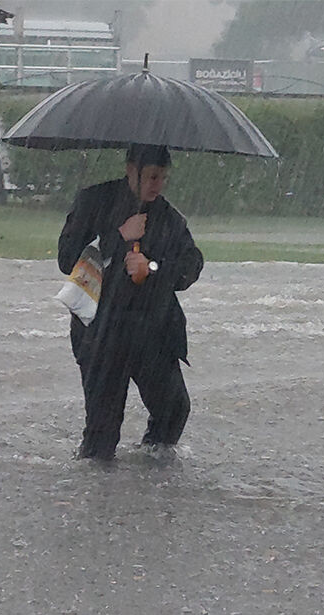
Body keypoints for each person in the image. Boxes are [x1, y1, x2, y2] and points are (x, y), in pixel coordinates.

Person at [57, 144, 205, 460]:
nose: (157, 185)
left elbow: (191, 264)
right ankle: (99, 496)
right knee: (102, 431)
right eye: (151, 176)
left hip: (153, 331)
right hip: (101, 333)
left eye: (163, 178)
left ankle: (152, 481)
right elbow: (67, 259)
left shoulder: (169, 219)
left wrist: (152, 268)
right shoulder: (93, 202)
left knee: (174, 410)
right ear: (130, 169)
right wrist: (117, 236)